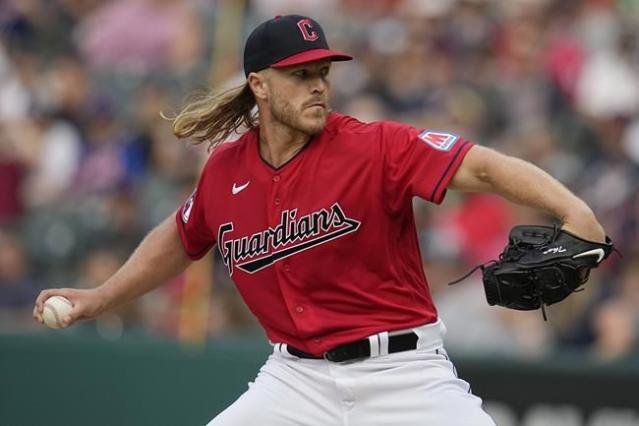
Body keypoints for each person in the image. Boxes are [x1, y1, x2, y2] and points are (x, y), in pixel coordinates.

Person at [33, 15, 607, 425]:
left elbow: (481, 167)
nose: (318, 84)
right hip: (294, 382)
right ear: (258, 84)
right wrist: (99, 298)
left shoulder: (375, 146)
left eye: (323, 71)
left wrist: (572, 210)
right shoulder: (226, 170)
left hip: (404, 375)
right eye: (300, 74)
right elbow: (182, 236)